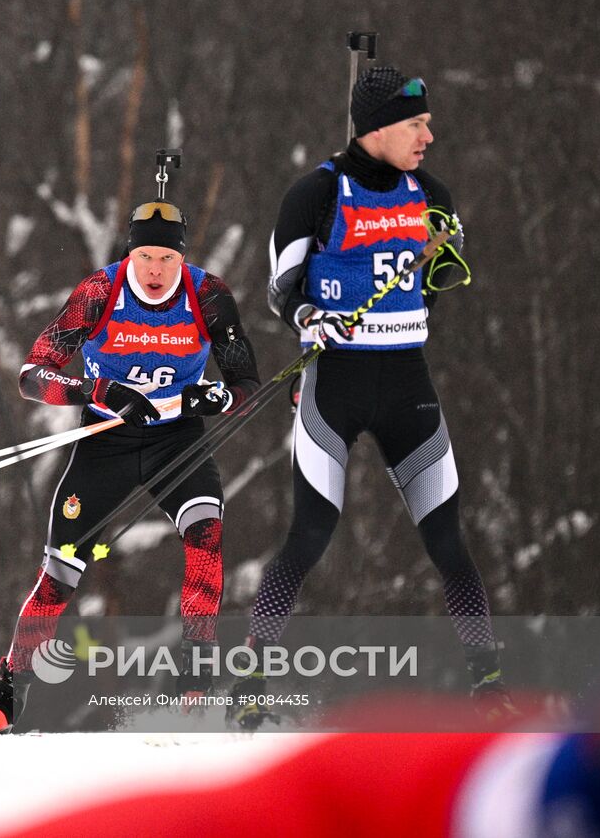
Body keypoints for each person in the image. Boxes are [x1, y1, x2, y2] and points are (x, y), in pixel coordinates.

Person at [231, 64, 508, 728]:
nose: (429, 135)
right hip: (336, 384)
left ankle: (489, 686)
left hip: (407, 383)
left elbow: (436, 280)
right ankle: (249, 681)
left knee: (448, 542)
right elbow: (280, 287)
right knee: (309, 535)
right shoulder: (316, 194)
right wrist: (308, 318)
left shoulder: (430, 193)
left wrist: (446, 252)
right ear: (380, 126)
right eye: (416, 123)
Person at [0, 198, 261, 735]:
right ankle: (5, 700)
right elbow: (32, 374)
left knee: (204, 536)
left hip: (177, 439)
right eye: (145, 257)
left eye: (166, 259)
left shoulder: (208, 294)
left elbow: (247, 386)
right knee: (61, 572)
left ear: (182, 259)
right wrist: (99, 389)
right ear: (130, 254)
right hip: (105, 439)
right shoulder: (99, 293)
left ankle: (197, 676)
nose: (155, 271)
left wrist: (215, 399)